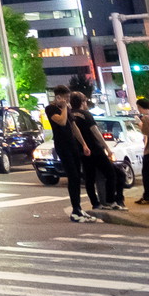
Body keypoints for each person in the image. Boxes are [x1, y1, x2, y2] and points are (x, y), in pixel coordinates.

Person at [46, 95, 94, 223]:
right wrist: (63, 108)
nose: (67, 100)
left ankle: (78, 208)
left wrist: (84, 144)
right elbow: (61, 121)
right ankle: (75, 210)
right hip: (63, 146)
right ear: (58, 96)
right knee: (72, 176)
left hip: (73, 145)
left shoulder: (66, 109)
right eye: (65, 97)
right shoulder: (51, 109)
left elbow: (74, 127)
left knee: (77, 176)